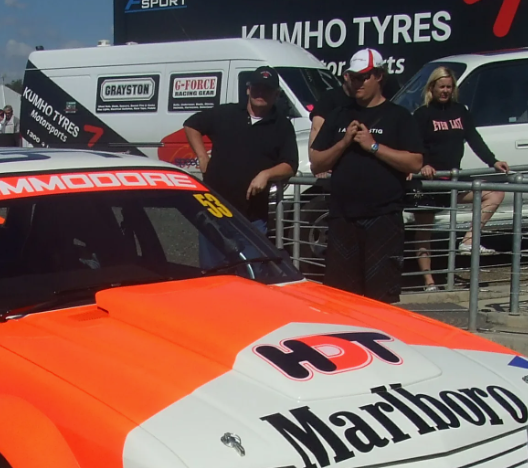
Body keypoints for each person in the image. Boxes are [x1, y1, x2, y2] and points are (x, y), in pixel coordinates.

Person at [310, 49, 423, 304]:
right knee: (340, 298)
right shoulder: (339, 114)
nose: (357, 83)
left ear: (379, 76)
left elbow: (415, 162)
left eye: (364, 77)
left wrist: (373, 146)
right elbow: (316, 162)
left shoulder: (399, 116)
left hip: (382, 217)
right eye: (353, 77)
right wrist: (343, 143)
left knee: (380, 299)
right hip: (342, 218)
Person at [412, 66, 511, 286]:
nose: (445, 91)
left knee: (495, 193)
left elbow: (474, 138)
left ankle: (468, 240)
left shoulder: (460, 111)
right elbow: (415, 144)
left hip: (454, 182)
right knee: (424, 234)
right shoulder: (422, 114)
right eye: (441, 87)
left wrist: (493, 161)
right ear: (432, 88)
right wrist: (424, 164)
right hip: (429, 184)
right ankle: (429, 281)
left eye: (449, 87)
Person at [182, 65, 298, 236]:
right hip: (214, 212)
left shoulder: (283, 126)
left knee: (252, 255)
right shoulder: (226, 113)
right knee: (212, 255)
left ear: (276, 94)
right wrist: (202, 156)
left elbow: (290, 164)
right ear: (248, 89)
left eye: (267, 89)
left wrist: (266, 174)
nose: (261, 93)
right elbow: (191, 125)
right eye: (257, 87)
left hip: (253, 219)